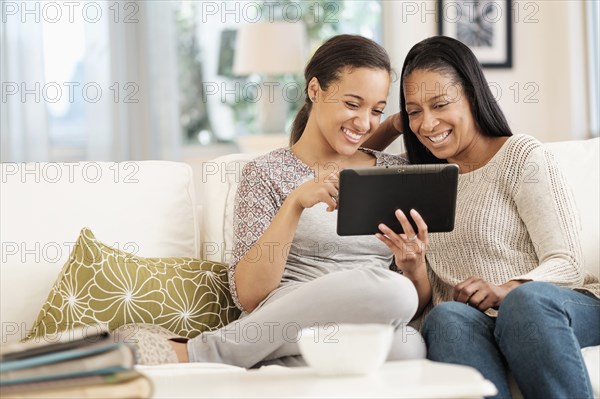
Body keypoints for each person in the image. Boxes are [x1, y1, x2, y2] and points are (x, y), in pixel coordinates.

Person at [119, 34, 426, 368]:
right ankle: (212, 352)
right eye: (352, 104)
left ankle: (236, 356)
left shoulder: (395, 172)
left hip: (365, 321)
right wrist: (294, 203)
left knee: (408, 343)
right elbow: (251, 296)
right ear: (314, 90)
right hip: (289, 308)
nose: (364, 122)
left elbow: (417, 302)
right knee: (395, 292)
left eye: (377, 110)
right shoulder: (266, 172)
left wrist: (414, 266)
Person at [368, 36, 600, 398]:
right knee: (444, 319)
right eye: (415, 112)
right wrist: (414, 266)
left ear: (473, 95)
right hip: (474, 320)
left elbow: (567, 262)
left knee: (523, 303)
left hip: (554, 306)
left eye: (440, 103)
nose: (428, 124)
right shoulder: (419, 180)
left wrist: (505, 290)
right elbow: (352, 152)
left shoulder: (520, 156)